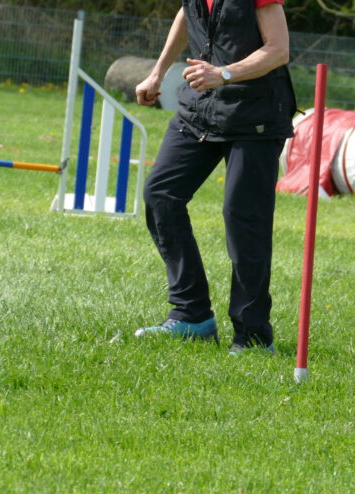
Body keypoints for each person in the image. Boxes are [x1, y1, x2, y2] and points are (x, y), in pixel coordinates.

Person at [133, 0, 296, 354]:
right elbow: (186, 15)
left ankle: (253, 337)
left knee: (243, 219)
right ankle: (192, 316)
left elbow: (278, 50)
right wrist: (158, 72)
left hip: (255, 115)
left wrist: (223, 74)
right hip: (200, 109)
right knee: (160, 195)